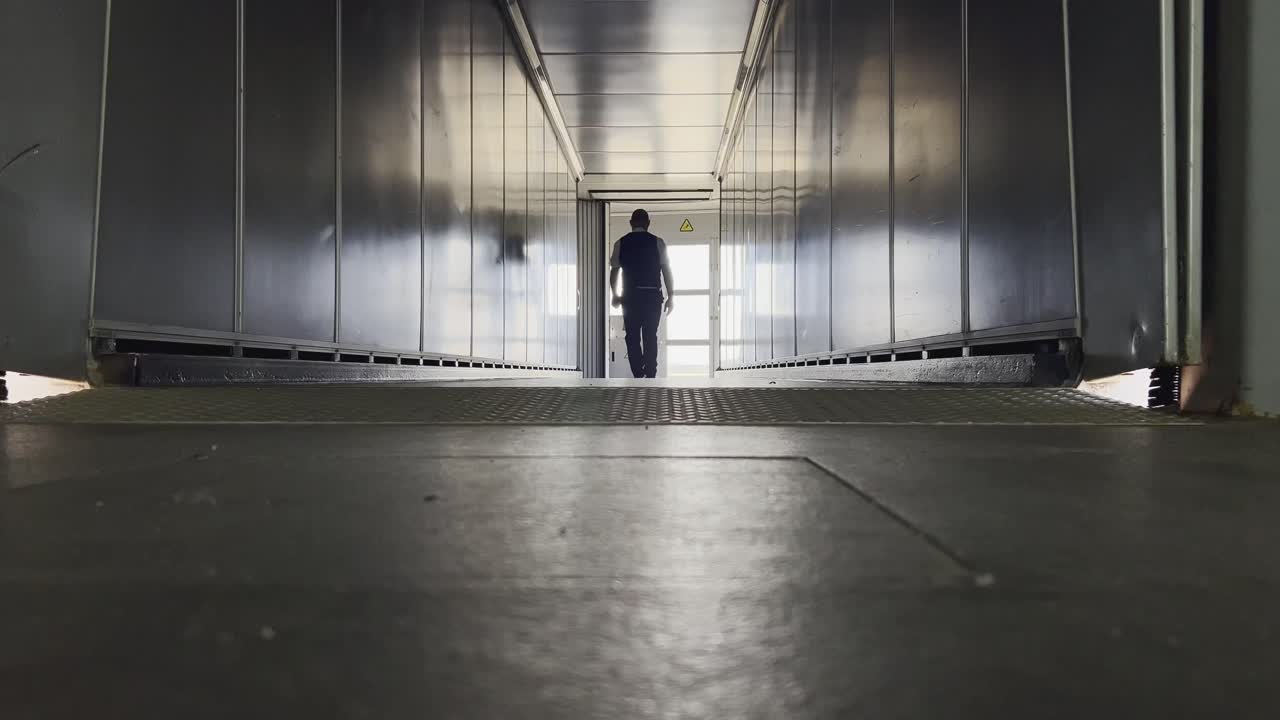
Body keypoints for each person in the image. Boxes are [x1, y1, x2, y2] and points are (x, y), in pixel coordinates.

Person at [609, 209, 675, 379]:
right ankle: (651, 374)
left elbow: (614, 272)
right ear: (648, 223)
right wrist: (671, 296)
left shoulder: (620, 243)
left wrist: (615, 294)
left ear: (631, 223)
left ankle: (638, 373)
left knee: (631, 337)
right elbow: (666, 271)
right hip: (652, 298)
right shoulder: (658, 243)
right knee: (650, 336)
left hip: (630, 298)